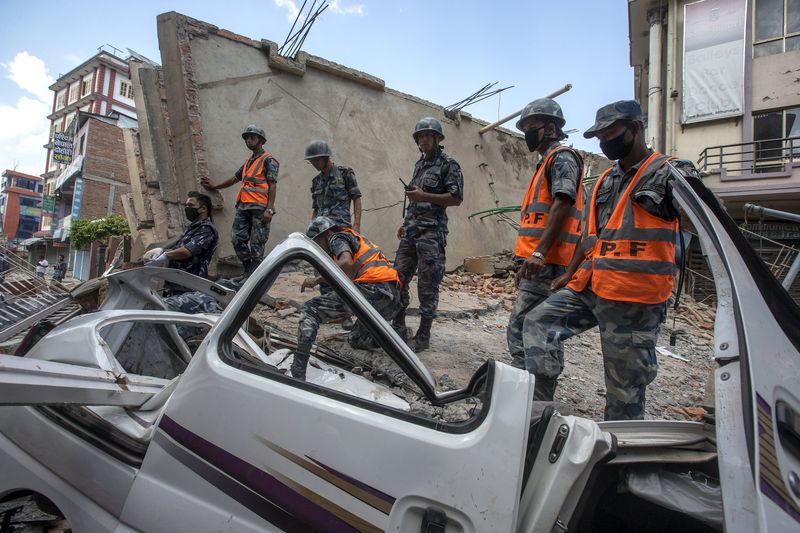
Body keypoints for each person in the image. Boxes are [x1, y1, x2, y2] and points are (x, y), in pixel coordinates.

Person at [522, 100, 700, 421]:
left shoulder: (669, 172)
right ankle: (538, 410)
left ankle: (620, 454)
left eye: (610, 134)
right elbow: (588, 238)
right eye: (599, 137)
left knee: (623, 390)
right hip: (592, 286)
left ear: (635, 129)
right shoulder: (606, 181)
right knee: (539, 322)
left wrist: (693, 216)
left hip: (635, 299)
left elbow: (702, 217)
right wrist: (570, 273)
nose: (603, 143)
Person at [506, 98, 584, 370]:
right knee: (528, 327)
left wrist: (539, 252)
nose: (526, 133)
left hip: (548, 262)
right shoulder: (546, 163)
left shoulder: (561, 157)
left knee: (528, 328)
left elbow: (563, 202)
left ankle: (533, 393)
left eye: (531, 127)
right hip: (539, 262)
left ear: (550, 128)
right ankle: (529, 389)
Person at [291, 216, 402, 380]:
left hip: (372, 288)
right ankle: (393, 339)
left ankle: (298, 370)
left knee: (311, 309)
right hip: (391, 297)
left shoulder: (337, 237)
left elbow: (346, 262)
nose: (317, 247)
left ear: (327, 233)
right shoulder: (355, 239)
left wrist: (317, 279)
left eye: (316, 242)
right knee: (356, 339)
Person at [391, 117, 464, 352]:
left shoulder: (448, 165)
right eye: (420, 136)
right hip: (411, 232)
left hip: (431, 234)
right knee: (397, 278)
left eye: (427, 135)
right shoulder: (419, 165)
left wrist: (424, 196)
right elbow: (415, 197)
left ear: (437, 138)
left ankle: (423, 334)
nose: (423, 140)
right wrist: (406, 222)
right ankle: (399, 324)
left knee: (427, 283)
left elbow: (456, 198)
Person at [201, 124, 279, 277]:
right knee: (237, 239)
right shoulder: (249, 162)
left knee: (257, 243)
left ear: (261, 140)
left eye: (252, 138)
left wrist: (270, 209)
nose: (248, 141)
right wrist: (216, 186)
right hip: (244, 207)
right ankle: (249, 270)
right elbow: (235, 178)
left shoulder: (268, 160)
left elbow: (273, 185)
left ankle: (254, 276)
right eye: (247, 138)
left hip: (259, 207)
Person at [144, 191, 221, 314]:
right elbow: (179, 249)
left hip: (189, 286)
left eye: (191, 205)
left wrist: (165, 256)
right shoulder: (193, 228)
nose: (187, 208)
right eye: (186, 205)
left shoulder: (206, 229)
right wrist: (161, 251)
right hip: (177, 284)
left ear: (203, 209)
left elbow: (187, 251)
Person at [305, 140, 362, 231]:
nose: (314, 164)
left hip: (340, 228)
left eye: (316, 160)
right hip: (320, 231)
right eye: (311, 161)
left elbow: (356, 198)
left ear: (326, 157)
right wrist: (311, 228)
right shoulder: (316, 181)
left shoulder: (345, 173)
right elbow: (316, 209)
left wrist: (357, 225)